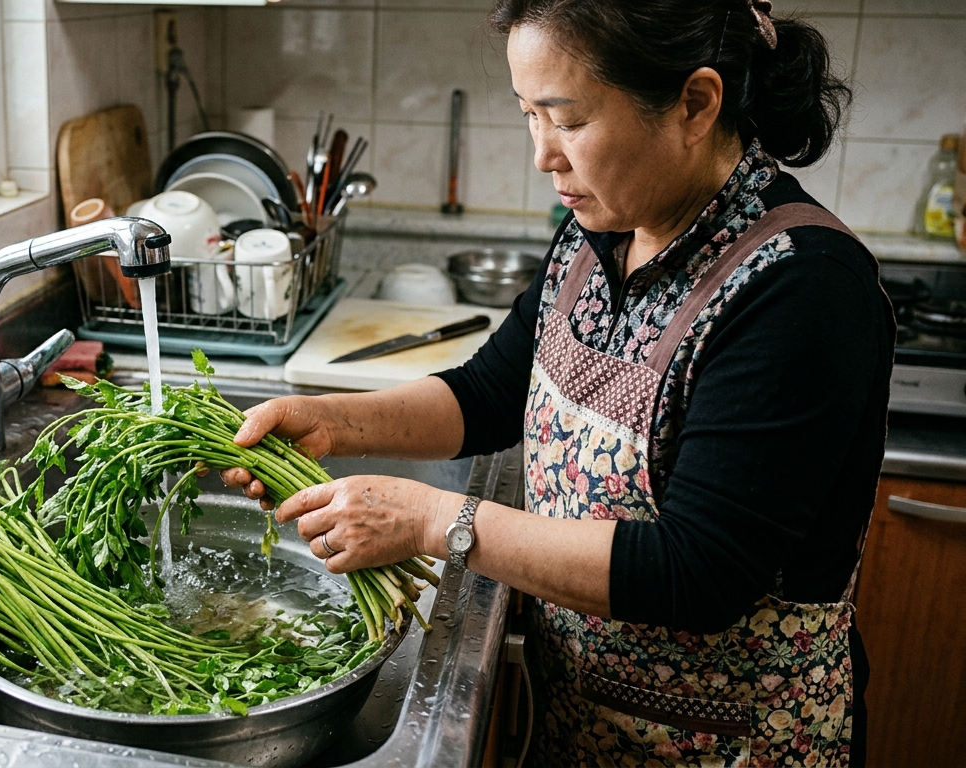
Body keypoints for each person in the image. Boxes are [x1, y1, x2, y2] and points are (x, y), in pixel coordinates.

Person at [221, 1, 894, 765]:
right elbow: (488, 392)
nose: (542, 153)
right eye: (528, 114)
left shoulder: (802, 286)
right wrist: (334, 423)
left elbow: (698, 572)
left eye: (565, 118)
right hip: (584, 723)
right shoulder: (601, 226)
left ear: (695, 103)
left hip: (731, 746)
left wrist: (433, 519)